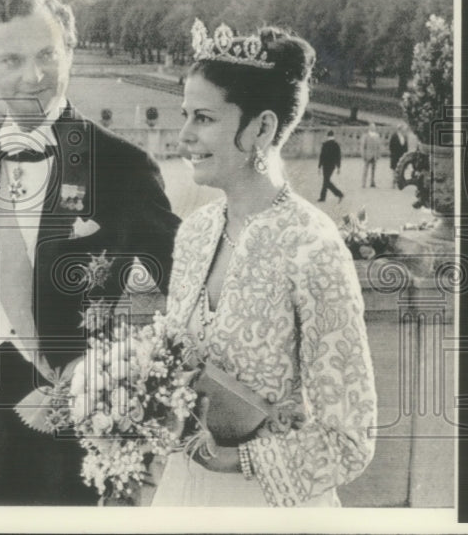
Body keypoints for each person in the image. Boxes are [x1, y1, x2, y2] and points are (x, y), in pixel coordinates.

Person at [0, 0, 180, 505]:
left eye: (47, 55)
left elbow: (185, 283)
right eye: (12, 60)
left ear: (70, 50)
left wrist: (119, 367)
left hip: (71, 410)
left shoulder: (123, 166)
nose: (33, 77)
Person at [153, 25, 376, 507]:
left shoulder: (313, 246)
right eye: (185, 115)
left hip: (269, 505)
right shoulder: (193, 234)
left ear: (262, 128)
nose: (185, 135)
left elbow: (351, 439)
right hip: (183, 492)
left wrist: (236, 462)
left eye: (204, 118)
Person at [317, 130, 343, 202]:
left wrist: (319, 166)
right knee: (326, 181)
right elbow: (338, 157)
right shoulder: (336, 145)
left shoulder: (325, 145)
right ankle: (324, 197)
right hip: (332, 165)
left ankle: (338, 194)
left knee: (326, 181)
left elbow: (321, 156)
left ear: (327, 136)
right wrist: (338, 167)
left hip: (325, 165)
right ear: (333, 136)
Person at [361, 122, 381, 188]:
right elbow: (363, 146)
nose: (373, 128)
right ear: (369, 128)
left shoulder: (377, 136)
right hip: (368, 155)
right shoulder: (366, 135)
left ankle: (372, 182)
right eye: (372, 127)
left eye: (374, 127)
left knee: (373, 170)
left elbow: (378, 146)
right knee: (365, 170)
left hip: (374, 155)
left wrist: (378, 155)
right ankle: (364, 183)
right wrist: (363, 155)